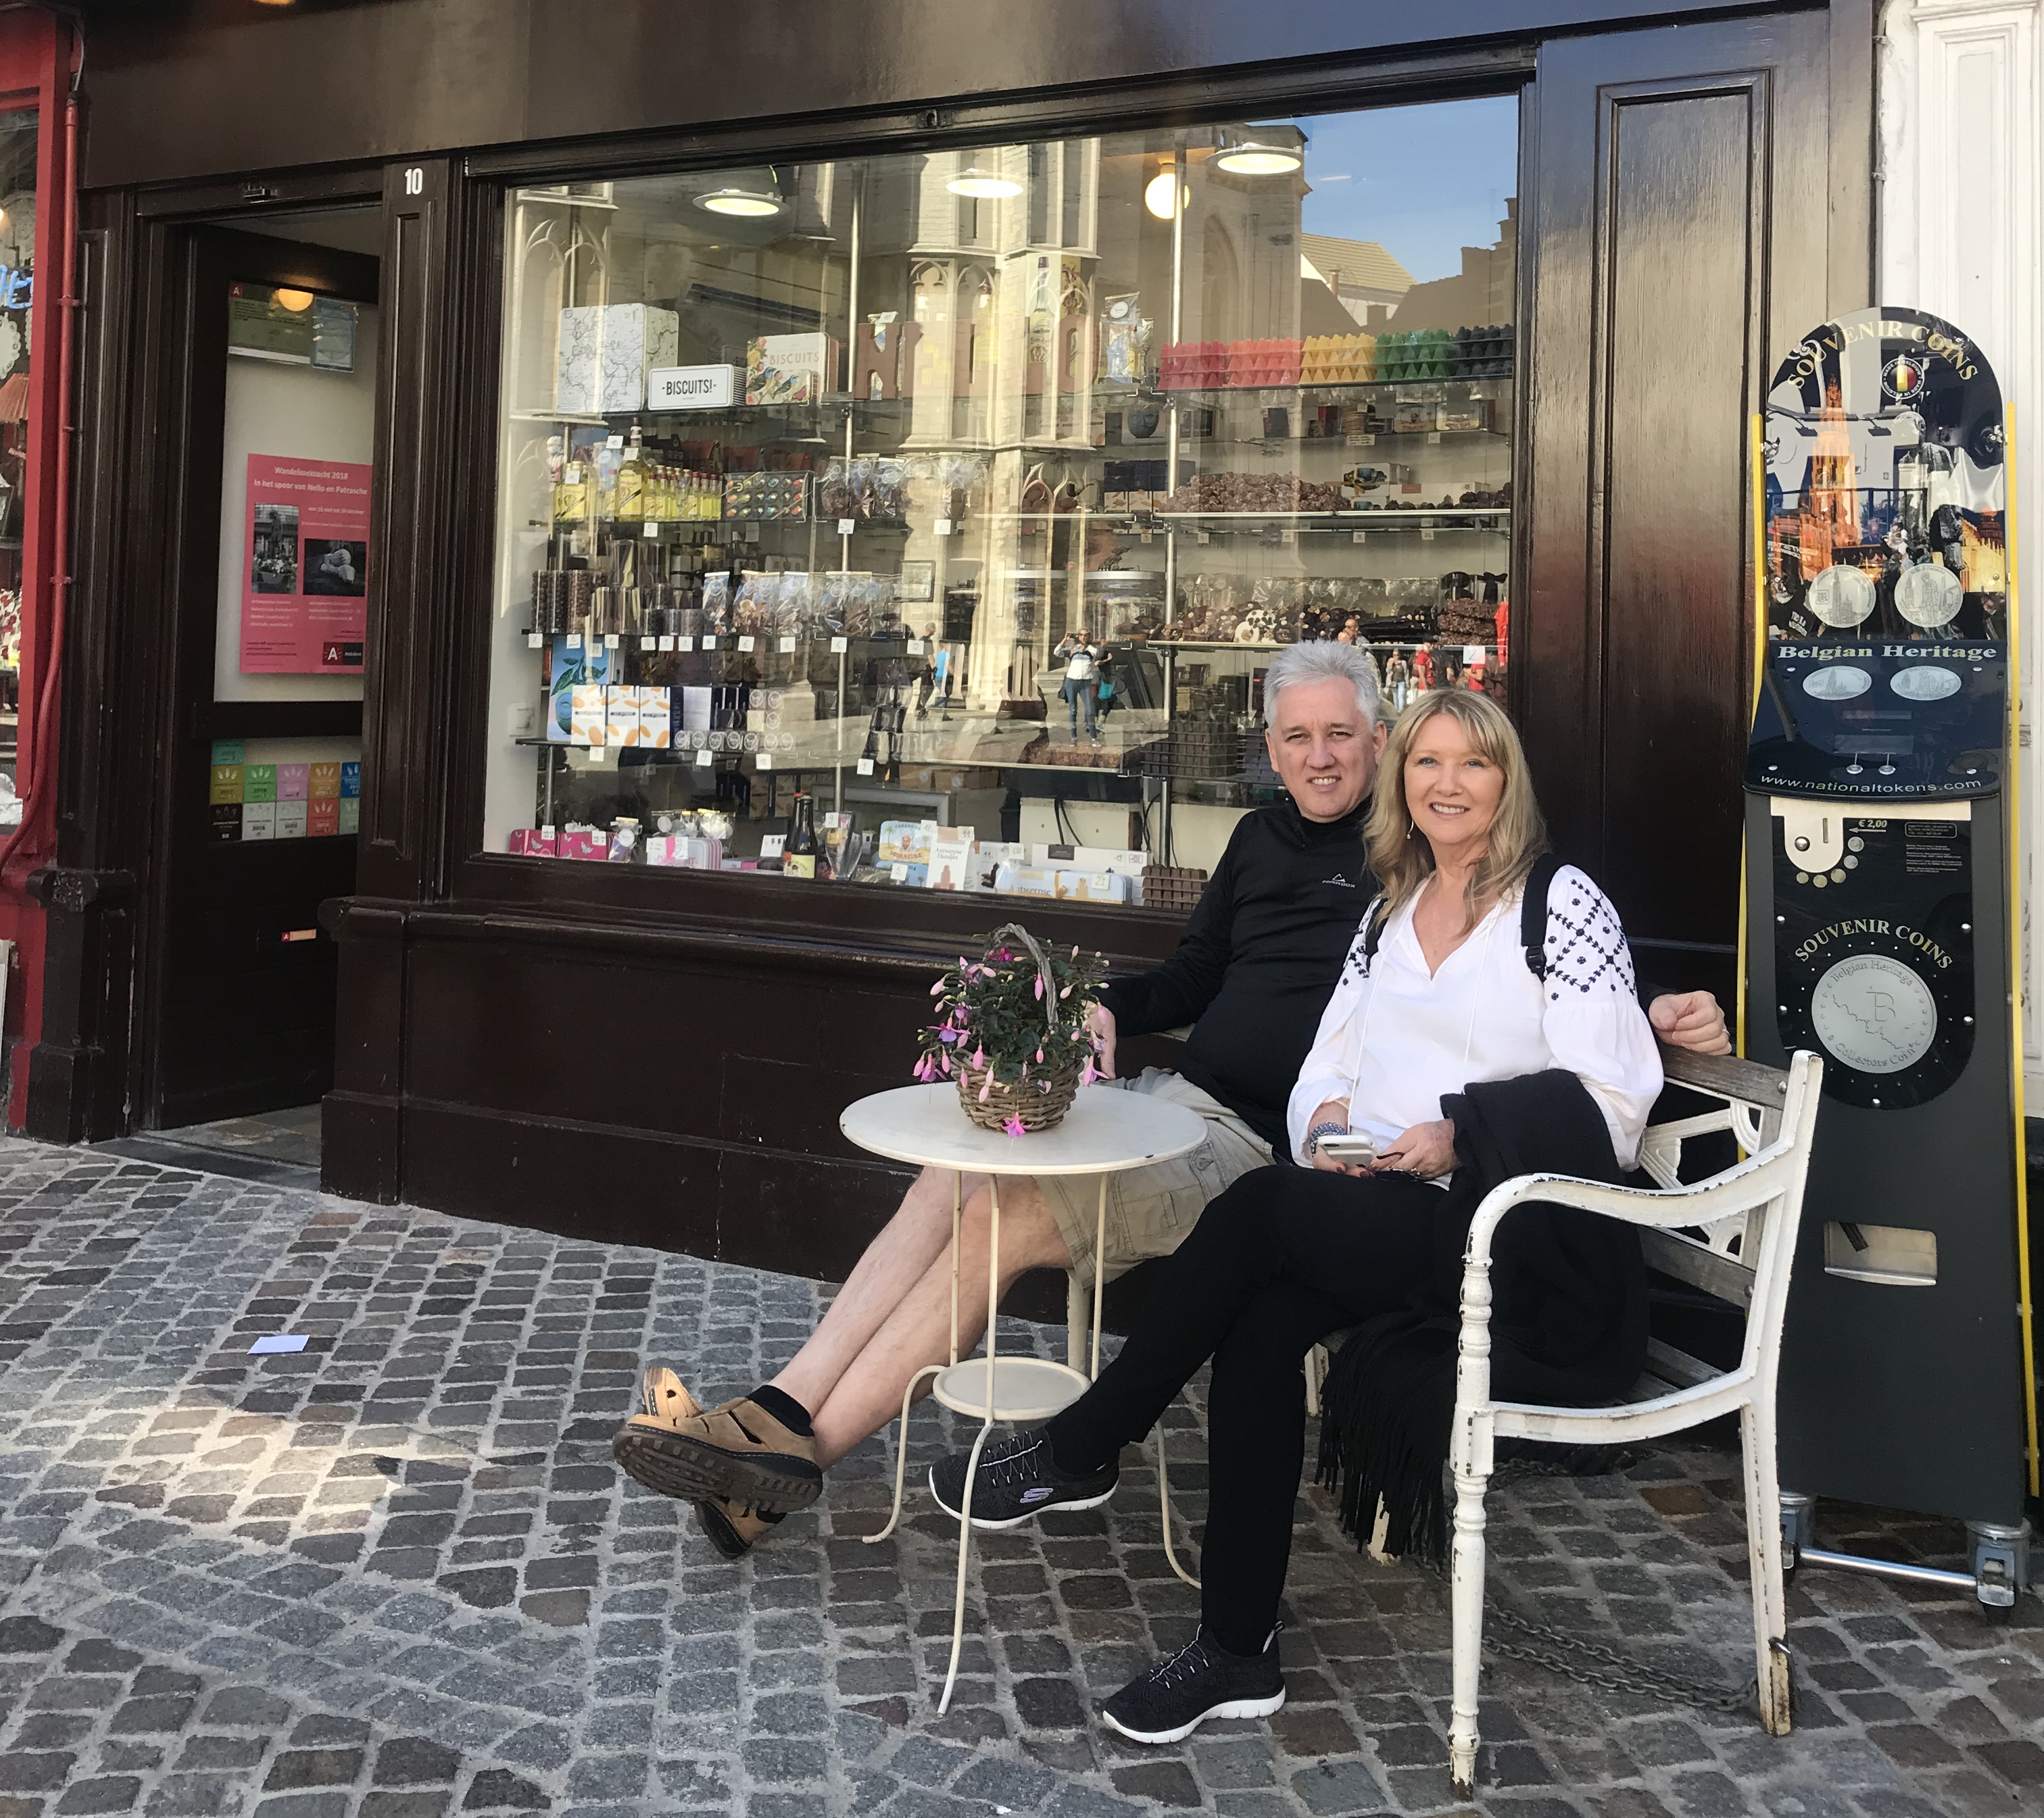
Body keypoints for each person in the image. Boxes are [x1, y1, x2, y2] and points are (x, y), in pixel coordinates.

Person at [610, 645, 1728, 1557]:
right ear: (1270, 749)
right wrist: (1100, 1004)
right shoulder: (1260, 840)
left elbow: (1520, 980)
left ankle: (789, 1464)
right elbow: (1195, 974)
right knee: (959, 1169)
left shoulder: (1415, 857)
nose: (1321, 757)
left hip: (1266, 1154)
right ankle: (779, 1408)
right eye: (1297, 736)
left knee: (1009, 1215)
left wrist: (1648, 1010)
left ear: (1378, 742)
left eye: (1342, 735)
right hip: (1174, 1099)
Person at [927, 687, 1672, 1748]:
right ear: (1401, 781)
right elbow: (1330, 1061)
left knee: (1264, 1206)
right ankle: (1237, 1649)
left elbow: (1613, 1102)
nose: (1447, 784)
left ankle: (1088, 1441)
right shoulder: (1391, 911)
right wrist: (1323, 1121)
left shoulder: (1558, 903)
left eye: (1473, 763)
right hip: (1387, 1206)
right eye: (1427, 763)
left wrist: (1460, 1132)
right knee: (1263, 1325)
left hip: (1510, 1233)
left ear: (1507, 782)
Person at [1055, 631, 1100, 739]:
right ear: (1078, 636)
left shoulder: (1090, 649)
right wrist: (1065, 640)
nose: (1083, 637)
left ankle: (1094, 737)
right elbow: (1057, 653)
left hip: (1086, 682)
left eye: (1086, 635)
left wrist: (1088, 644)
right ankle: (1073, 737)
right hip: (1072, 681)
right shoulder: (1072, 649)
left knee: (1090, 710)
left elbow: (1097, 653)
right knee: (1073, 710)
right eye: (1081, 635)